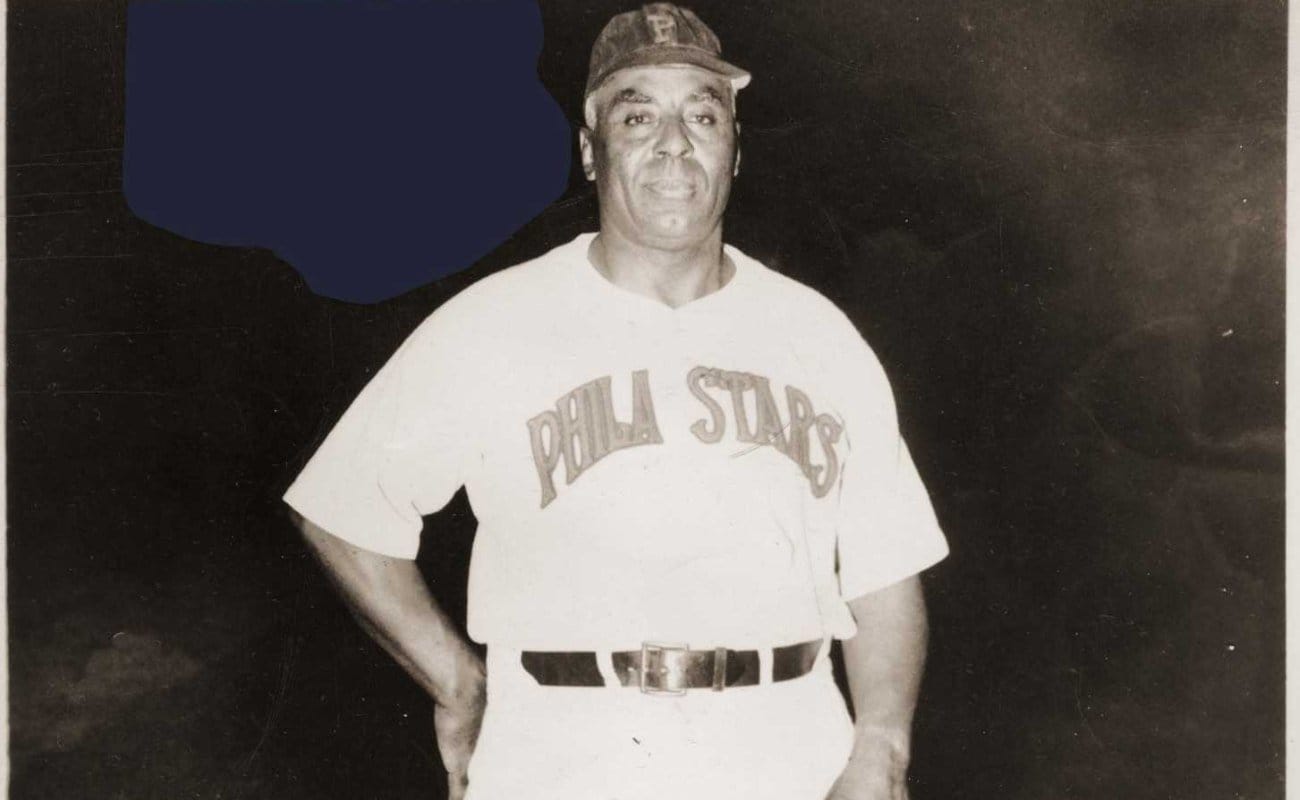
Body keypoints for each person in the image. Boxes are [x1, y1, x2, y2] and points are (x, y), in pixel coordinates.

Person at [283, 4, 949, 798]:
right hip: (567, 750)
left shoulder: (817, 333)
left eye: (704, 113)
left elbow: (887, 567)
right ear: (591, 152)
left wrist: (879, 749)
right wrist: (460, 684)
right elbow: (343, 506)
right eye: (637, 113)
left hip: (788, 744)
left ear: (734, 152)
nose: (675, 140)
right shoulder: (495, 322)